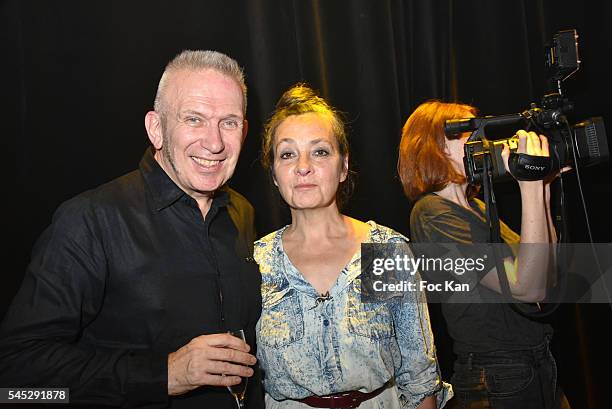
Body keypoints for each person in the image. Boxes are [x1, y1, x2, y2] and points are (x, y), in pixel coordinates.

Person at [0, 50, 264, 409]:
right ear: (156, 128)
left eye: (229, 122)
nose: (214, 142)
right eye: (194, 119)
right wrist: (164, 374)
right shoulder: (90, 220)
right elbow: (16, 371)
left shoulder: (242, 213)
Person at [254, 84, 452, 409]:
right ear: (275, 173)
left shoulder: (383, 250)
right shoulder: (257, 262)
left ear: (343, 167)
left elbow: (418, 376)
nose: (303, 166)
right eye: (287, 153)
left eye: (320, 151)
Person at [397, 100, 570, 408]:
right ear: (434, 146)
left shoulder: (478, 207)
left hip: (538, 361)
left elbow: (546, 270)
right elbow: (527, 288)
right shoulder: (432, 212)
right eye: (467, 133)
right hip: (498, 374)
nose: (481, 142)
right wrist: (529, 185)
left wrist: (542, 188)